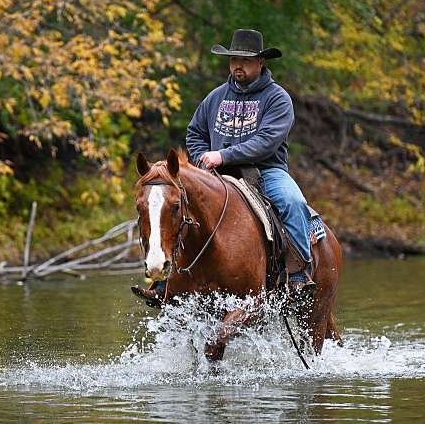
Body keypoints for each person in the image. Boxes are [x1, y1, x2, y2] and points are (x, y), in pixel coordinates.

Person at [133, 29, 313, 306]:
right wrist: (205, 156)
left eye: (245, 60)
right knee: (176, 208)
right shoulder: (216, 97)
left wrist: (223, 156)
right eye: (233, 60)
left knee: (292, 202)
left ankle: (299, 273)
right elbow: (194, 133)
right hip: (216, 175)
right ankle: (164, 280)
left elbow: (267, 141)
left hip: (266, 171)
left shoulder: (277, 98)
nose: (238, 65)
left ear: (261, 62)